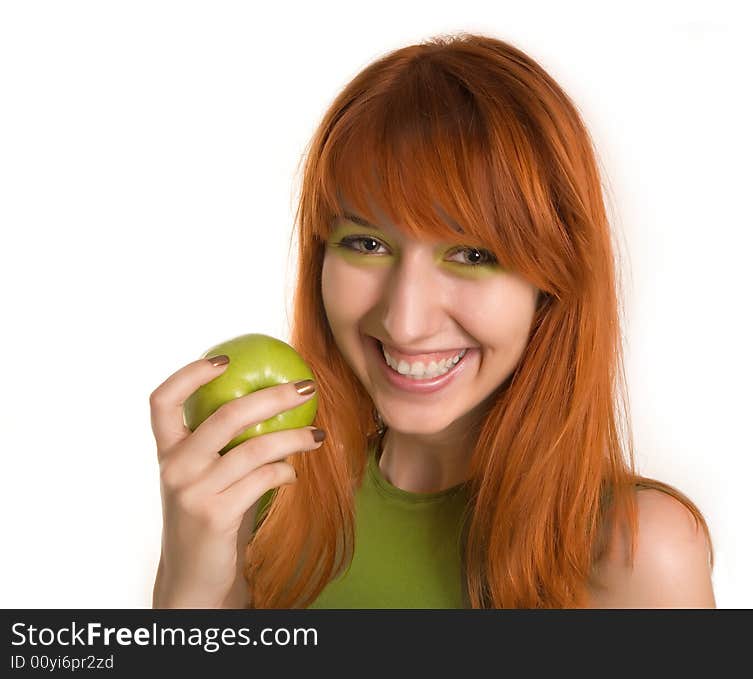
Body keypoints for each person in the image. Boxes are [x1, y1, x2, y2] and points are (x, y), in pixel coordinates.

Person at [151, 33, 715, 609]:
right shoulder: (269, 507)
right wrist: (187, 584)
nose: (406, 320)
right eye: (366, 242)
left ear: (553, 277)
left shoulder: (637, 553)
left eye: (472, 254)